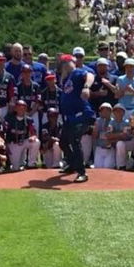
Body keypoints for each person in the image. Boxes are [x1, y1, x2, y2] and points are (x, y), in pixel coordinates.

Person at [58, 54, 95, 183]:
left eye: (66, 63)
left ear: (72, 62)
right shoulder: (66, 78)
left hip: (81, 114)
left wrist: (86, 87)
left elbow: (90, 75)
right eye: (62, 63)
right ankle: (73, 164)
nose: (64, 65)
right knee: (63, 142)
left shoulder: (77, 72)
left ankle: (82, 172)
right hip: (70, 117)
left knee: (74, 139)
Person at [5, 100, 40, 169]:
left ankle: (31, 164)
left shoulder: (29, 119)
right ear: (15, 108)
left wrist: (33, 137)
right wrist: (6, 146)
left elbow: (34, 133)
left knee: (36, 142)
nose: (21, 109)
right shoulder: (9, 118)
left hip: (24, 141)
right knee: (15, 167)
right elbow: (4, 134)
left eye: (23, 107)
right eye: (19, 107)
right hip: (13, 143)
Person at [108, 104, 134, 170]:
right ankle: (126, 163)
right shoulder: (111, 122)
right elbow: (108, 136)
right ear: (113, 112)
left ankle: (122, 166)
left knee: (120, 143)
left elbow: (126, 137)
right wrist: (120, 135)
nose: (118, 112)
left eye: (120, 111)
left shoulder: (127, 122)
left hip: (129, 143)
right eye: (116, 111)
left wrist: (115, 137)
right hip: (117, 144)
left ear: (124, 112)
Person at [93, 102, 117, 169]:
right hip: (99, 148)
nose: (105, 112)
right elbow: (94, 136)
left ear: (111, 112)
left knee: (108, 167)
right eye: (103, 110)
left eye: (107, 110)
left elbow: (115, 136)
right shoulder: (97, 121)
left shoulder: (114, 121)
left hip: (110, 149)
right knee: (98, 168)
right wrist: (96, 128)